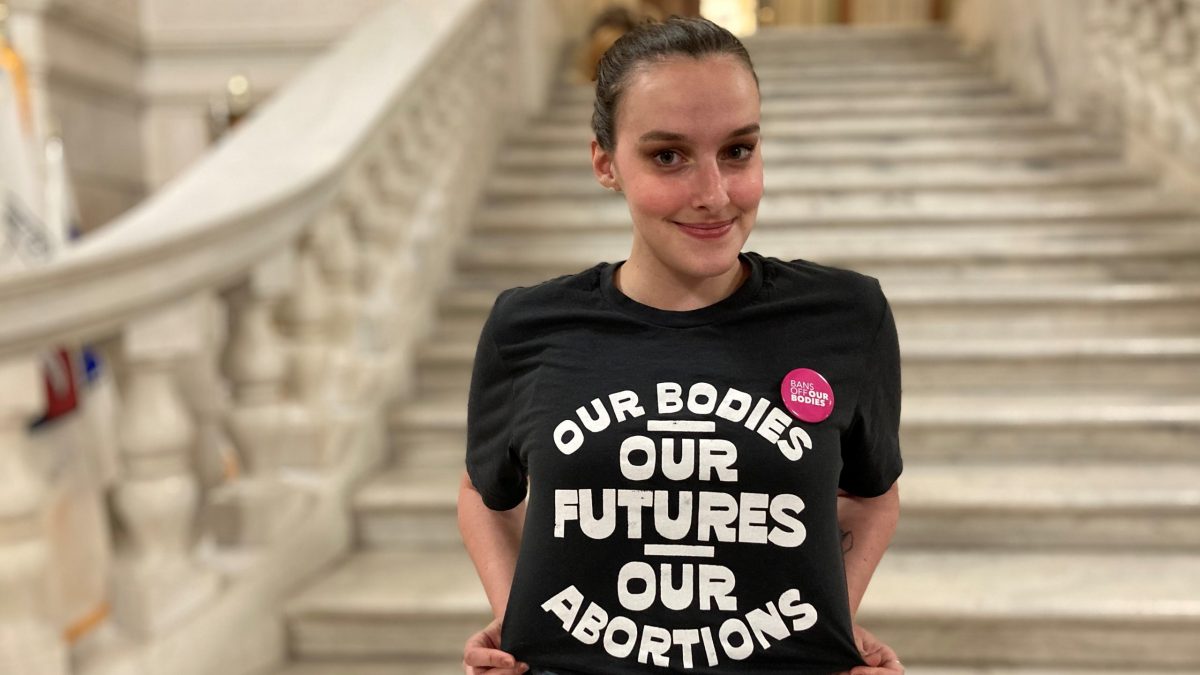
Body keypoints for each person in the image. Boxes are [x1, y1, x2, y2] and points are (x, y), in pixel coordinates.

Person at [459, 14, 904, 675]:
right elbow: (484, 492)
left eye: (738, 151)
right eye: (668, 155)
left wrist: (824, 616)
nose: (714, 195)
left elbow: (872, 494)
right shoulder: (528, 326)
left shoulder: (845, 316)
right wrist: (526, 614)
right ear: (606, 162)